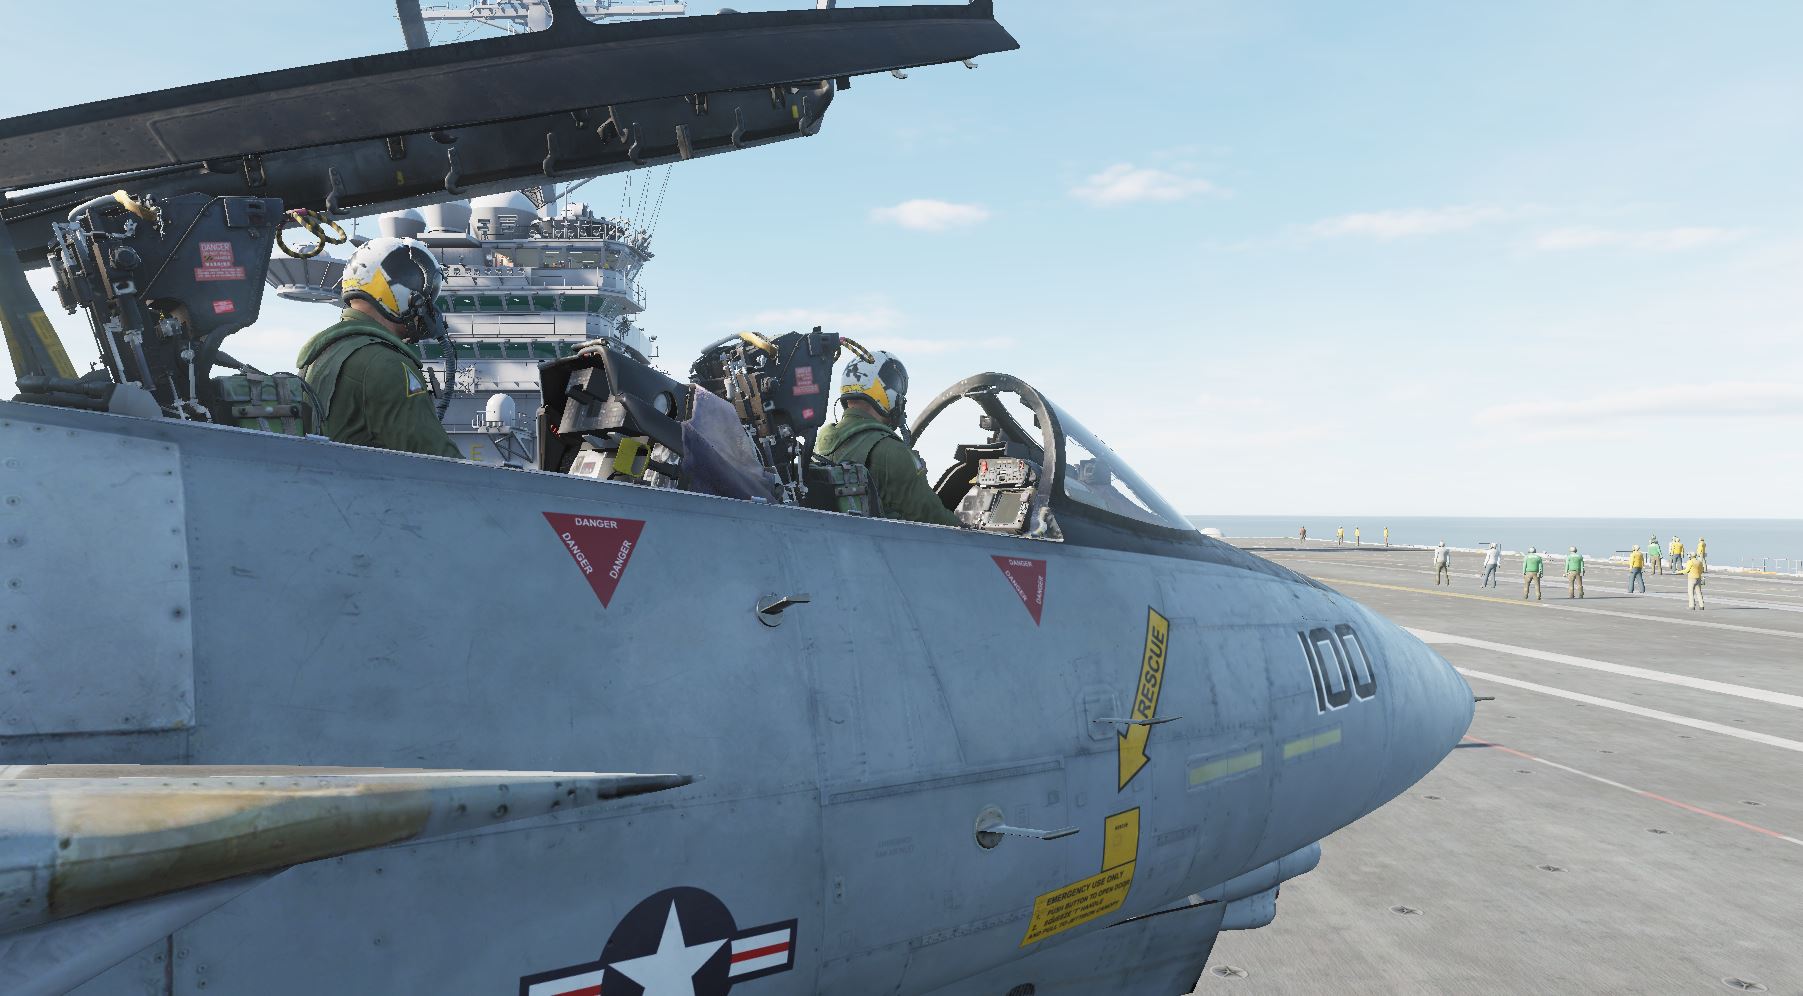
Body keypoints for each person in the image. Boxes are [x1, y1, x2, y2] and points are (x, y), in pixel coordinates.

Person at [296, 237, 462, 458]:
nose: (430, 308)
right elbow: (439, 461)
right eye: (426, 296)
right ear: (404, 293)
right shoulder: (386, 364)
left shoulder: (321, 354)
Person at [814, 349, 959, 527]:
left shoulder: (819, 445)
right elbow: (933, 517)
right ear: (887, 392)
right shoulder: (891, 451)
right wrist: (971, 531)